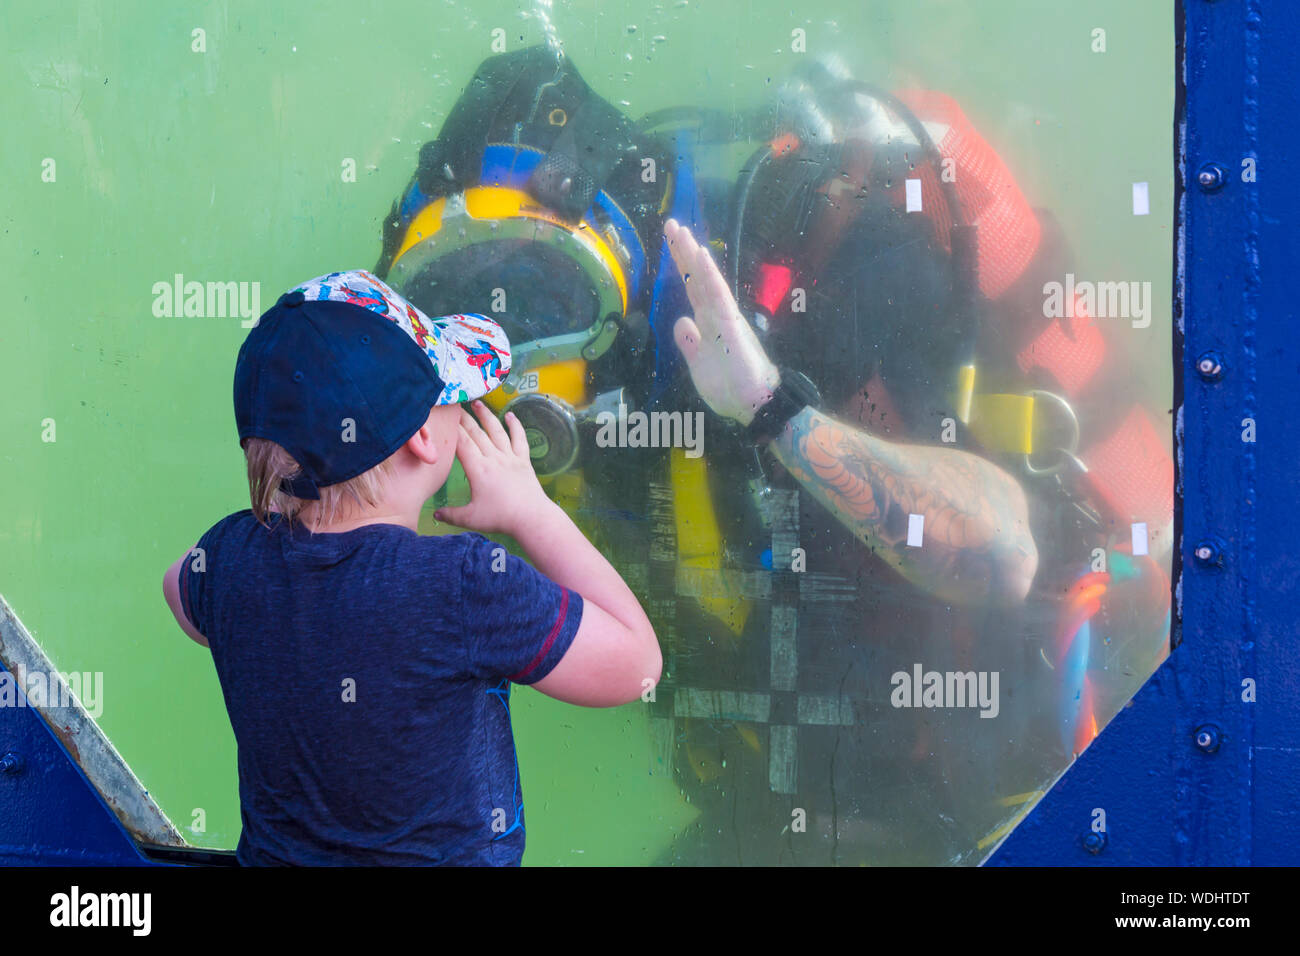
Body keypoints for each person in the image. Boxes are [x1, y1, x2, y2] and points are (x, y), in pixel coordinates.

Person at [372, 46, 1173, 865]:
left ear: (618, 255)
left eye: (550, 294)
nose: (515, 352)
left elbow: (1006, 547)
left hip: (1011, 791)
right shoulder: (477, 424)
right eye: (456, 308)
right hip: (775, 806)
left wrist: (771, 410)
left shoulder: (821, 284)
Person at [161, 270, 660, 865]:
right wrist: (532, 512)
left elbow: (178, 589)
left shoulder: (228, 559)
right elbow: (638, 667)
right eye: (455, 395)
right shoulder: (466, 584)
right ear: (425, 435)